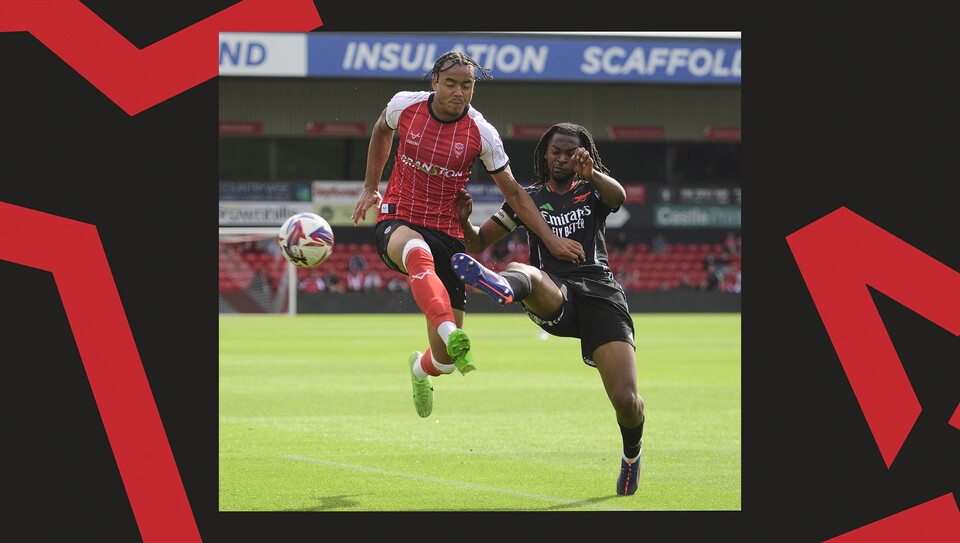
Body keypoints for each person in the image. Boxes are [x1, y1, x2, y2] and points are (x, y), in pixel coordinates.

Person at [350, 52, 585, 419]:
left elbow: (515, 194)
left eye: (467, 85)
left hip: (447, 233)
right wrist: (370, 186)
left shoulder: (481, 132)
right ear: (434, 82)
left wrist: (551, 239)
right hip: (399, 217)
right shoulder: (404, 105)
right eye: (451, 84)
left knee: (444, 363)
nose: (459, 92)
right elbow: (382, 129)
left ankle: (419, 369)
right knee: (416, 251)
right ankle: (451, 332)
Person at [450, 123, 646, 496]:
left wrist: (593, 174)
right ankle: (503, 285)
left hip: (601, 293)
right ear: (545, 153)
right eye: (555, 152)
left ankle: (632, 456)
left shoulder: (592, 191)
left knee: (626, 401)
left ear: (581, 155)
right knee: (526, 271)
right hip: (555, 292)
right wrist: (463, 221)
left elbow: (619, 196)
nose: (561, 159)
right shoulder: (526, 199)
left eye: (570, 153)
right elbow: (476, 242)